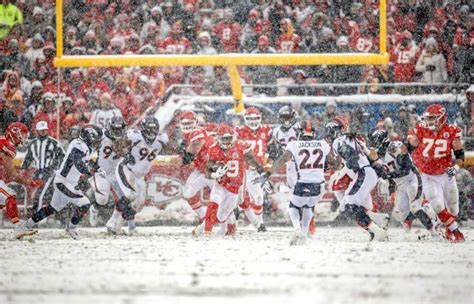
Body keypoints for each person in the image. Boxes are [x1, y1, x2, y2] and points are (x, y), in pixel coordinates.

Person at [24, 126, 103, 239]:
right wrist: (90, 173)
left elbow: (87, 159)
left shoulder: (85, 146)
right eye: (95, 139)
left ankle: (27, 224)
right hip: (64, 182)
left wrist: (97, 168)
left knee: (52, 208)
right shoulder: (78, 144)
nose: (97, 142)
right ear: (89, 137)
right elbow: (78, 162)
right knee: (84, 203)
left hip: (67, 182)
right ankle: (71, 228)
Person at [194, 123, 267, 236]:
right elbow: (208, 172)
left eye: (229, 138)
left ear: (233, 137)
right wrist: (214, 174)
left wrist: (263, 175)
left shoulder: (241, 147)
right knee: (213, 204)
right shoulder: (214, 149)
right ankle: (207, 232)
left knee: (229, 210)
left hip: (235, 185)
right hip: (221, 184)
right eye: (224, 138)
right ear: (218, 138)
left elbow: (255, 163)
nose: (227, 141)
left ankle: (244, 225)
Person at [408, 104, 465, 242]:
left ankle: (448, 231)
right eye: (428, 118)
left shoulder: (451, 131)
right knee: (437, 205)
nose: (429, 121)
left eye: (432, 118)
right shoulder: (421, 129)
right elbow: (411, 144)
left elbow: (459, 154)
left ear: (441, 118)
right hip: (429, 175)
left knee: (453, 208)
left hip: (446, 174)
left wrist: (456, 168)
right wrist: (412, 139)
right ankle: (456, 231)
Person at [367, 129, 440, 239]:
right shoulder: (378, 156)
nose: (373, 145)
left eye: (375, 142)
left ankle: (434, 232)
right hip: (400, 184)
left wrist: (390, 176)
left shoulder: (395, 147)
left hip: (412, 178)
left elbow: (406, 169)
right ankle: (426, 214)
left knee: (415, 207)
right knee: (400, 214)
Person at [325, 116, 388, 241]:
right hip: (364, 173)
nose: (328, 134)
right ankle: (378, 221)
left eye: (330, 131)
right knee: (345, 208)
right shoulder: (352, 139)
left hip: (362, 173)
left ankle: (377, 232)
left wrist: (342, 170)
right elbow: (370, 156)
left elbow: (351, 157)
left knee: (350, 206)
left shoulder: (339, 141)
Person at [106, 116, 169, 235]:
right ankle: (112, 221)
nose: (151, 132)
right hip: (126, 168)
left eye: (154, 129)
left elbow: (171, 149)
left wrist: (183, 151)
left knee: (138, 204)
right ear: (144, 129)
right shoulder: (135, 136)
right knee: (130, 195)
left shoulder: (161, 138)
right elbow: (116, 146)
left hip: (140, 176)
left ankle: (128, 227)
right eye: (149, 129)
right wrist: (124, 153)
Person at [271, 120, 331, 245]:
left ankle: (298, 230)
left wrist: (269, 171)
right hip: (320, 185)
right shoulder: (323, 144)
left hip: (304, 182)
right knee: (308, 207)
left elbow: (283, 159)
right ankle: (304, 233)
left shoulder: (294, 144)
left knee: (294, 207)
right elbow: (334, 163)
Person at [0, 122, 43, 239]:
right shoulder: (6, 145)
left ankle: (18, 227)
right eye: (23, 134)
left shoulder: (4, 142)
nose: (24, 138)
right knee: (10, 195)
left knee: (3, 200)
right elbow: (13, 174)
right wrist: (30, 183)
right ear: (16, 133)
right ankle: (18, 228)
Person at [235, 107, 273, 231]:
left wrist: (267, 167)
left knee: (258, 197)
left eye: (256, 118)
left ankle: (259, 223)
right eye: (250, 119)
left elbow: (272, 151)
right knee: (239, 197)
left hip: (256, 170)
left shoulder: (266, 130)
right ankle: (234, 217)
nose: (253, 121)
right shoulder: (239, 131)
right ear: (245, 119)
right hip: (243, 169)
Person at [178, 111, 214, 225]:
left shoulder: (197, 132)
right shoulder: (188, 135)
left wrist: (184, 156)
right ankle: (203, 218)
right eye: (185, 123)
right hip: (201, 168)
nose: (187, 125)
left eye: (190, 122)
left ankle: (230, 223)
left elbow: (192, 151)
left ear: (196, 122)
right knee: (188, 193)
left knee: (221, 197)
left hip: (212, 167)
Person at [21, 121, 65, 213]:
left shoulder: (53, 142)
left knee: (40, 195)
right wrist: (23, 169)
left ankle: (35, 218)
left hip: (49, 171)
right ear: (37, 131)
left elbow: (62, 156)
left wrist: (54, 167)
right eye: (41, 130)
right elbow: (28, 158)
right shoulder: (32, 144)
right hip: (37, 172)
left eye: (44, 130)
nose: (43, 132)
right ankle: (45, 215)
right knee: (43, 195)